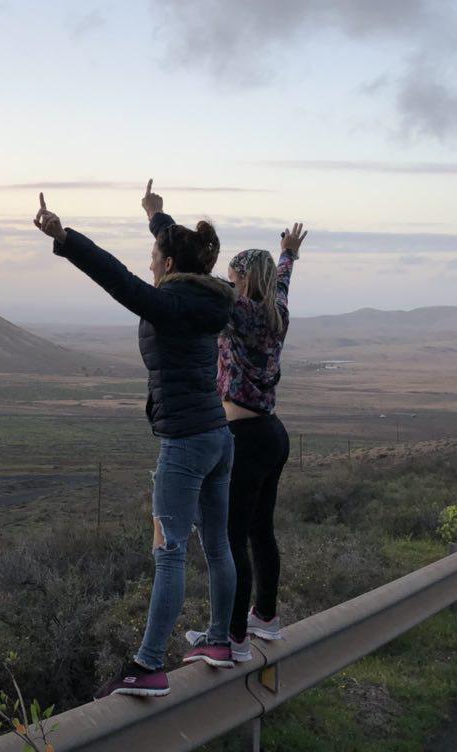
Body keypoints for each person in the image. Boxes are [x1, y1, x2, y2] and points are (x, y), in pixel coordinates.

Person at [33, 185, 238, 699]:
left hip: (185, 443)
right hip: (218, 434)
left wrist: (65, 238)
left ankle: (147, 666)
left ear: (168, 264)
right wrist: (155, 215)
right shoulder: (206, 297)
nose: (149, 266)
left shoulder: (168, 303)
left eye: (154, 258)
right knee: (216, 545)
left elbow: (116, 280)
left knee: (169, 554)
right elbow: (172, 253)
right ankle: (220, 640)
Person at [149, 193, 307, 663]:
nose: (229, 284)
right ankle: (265, 617)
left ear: (243, 282)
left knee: (231, 537)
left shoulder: (239, 312)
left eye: (234, 279)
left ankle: (233, 637)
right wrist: (289, 252)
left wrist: (160, 222)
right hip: (272, 432)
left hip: (244, 435)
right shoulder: (277, 308)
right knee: (261, 530)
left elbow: (196, 278)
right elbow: (282, 280)